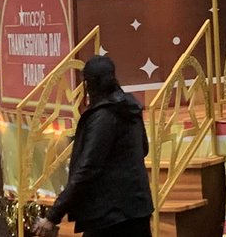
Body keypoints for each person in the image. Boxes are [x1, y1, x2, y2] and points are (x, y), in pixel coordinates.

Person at [32, 56, 153, 237]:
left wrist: (53, 216)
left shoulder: (103, 117)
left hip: (110, 215)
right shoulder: (130, 106)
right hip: (137, 208)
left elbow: (87, 168)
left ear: (90, 83)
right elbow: (143, 148)